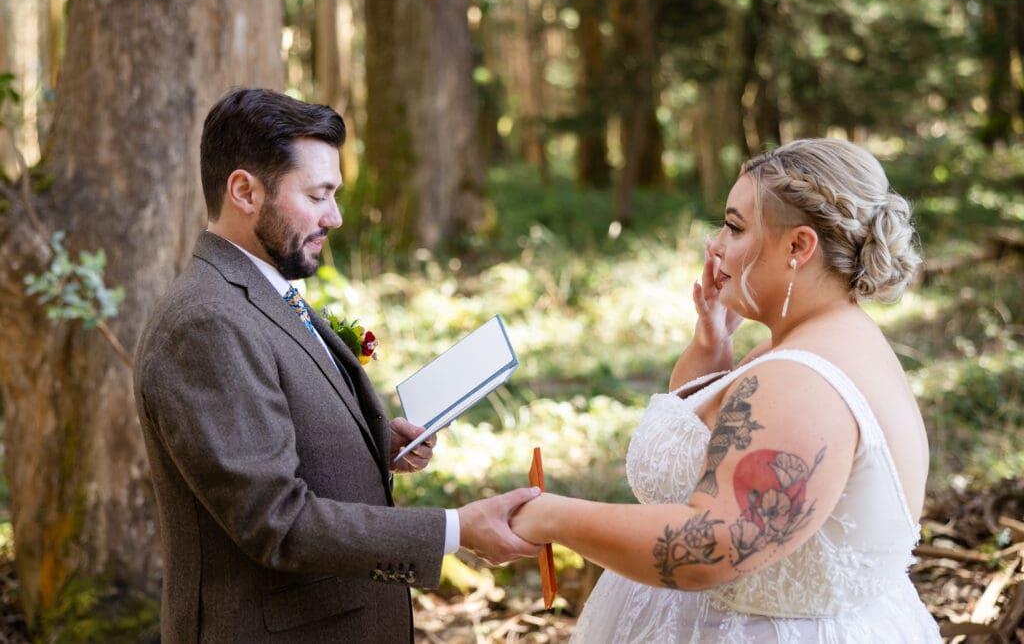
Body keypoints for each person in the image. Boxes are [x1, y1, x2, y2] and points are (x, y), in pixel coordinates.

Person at [134, 88, 540, 643]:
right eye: (319, 195)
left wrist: (375, 442)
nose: (336, 216)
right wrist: (455, 529)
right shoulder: (204, 322)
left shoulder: (263, 288)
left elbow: (280, 424)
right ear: (244, 191)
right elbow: (275, 520)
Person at [511, 138, 942, 642]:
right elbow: (707, 440)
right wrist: (712, 343)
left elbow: (707, 549)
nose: (715, 245)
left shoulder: (800, 384)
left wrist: (552, 517)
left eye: (735, 227)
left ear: (799, 247)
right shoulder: (818, 340)